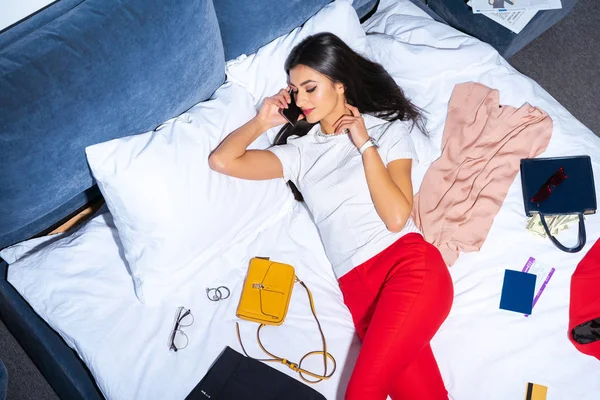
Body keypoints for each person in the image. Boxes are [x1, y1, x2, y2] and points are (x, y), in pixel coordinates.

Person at [209, 32, 454, 400]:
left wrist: (365, 144)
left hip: (409, 270)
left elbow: (396, 217)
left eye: (310, 88)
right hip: (360, 293)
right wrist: (262, 122)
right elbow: (222, 161)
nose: (301, 100)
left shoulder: (387, 132)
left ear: (340, 84)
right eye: (294, 90)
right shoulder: (300, 153)